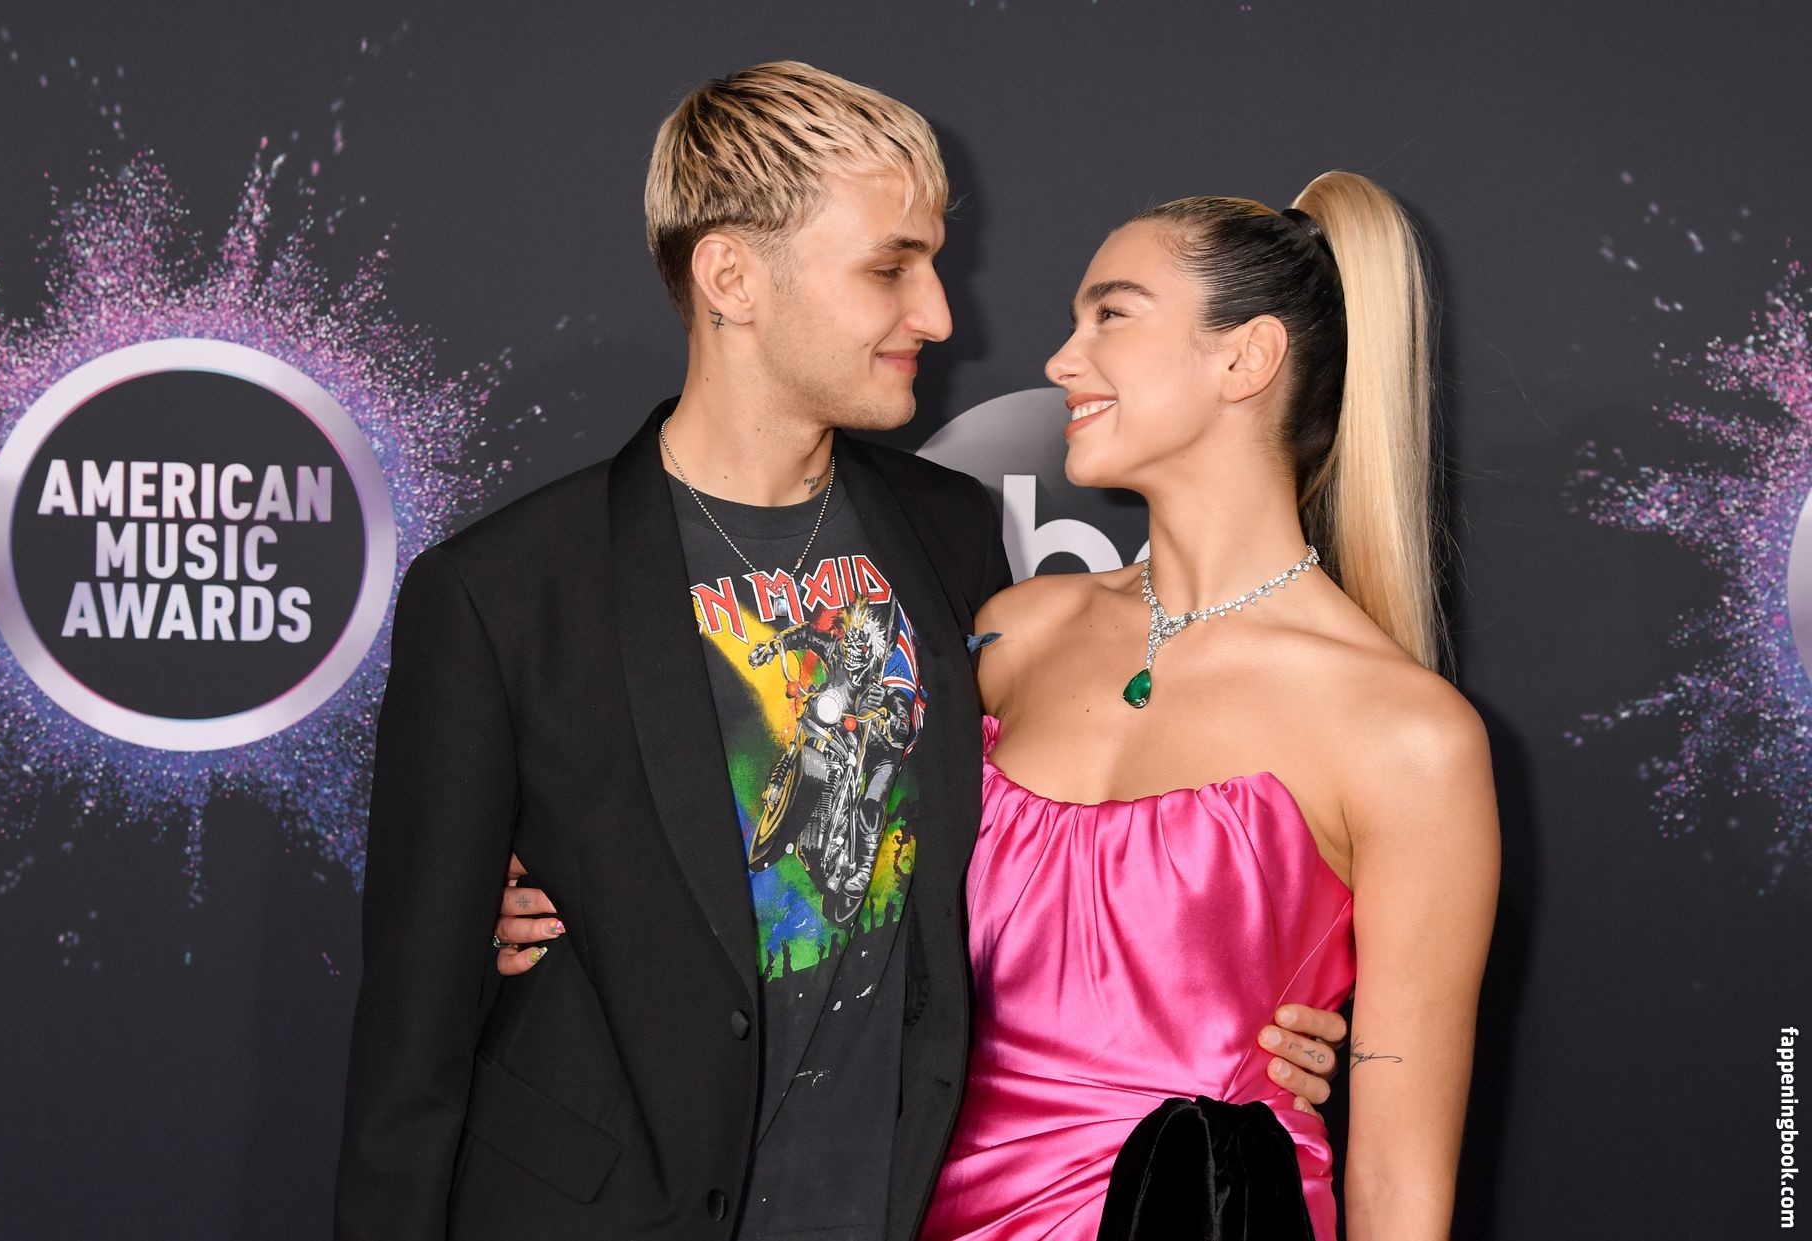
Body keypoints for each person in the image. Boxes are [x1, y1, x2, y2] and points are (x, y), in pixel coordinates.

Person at [344, 62, 1342, 1241]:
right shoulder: (505, 592)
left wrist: (1248, 1014)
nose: (938, 315)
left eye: (932, 263)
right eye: (889, 268)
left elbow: (1055, 841)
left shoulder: (950, 532)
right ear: (732, 278)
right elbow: (409, 1056)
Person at [917, 181, 1500, 1240]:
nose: (1062, 360)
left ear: (1247, 359)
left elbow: (1398, 1194)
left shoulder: (1406, 734)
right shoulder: (1014, 636)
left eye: (1111, 314)